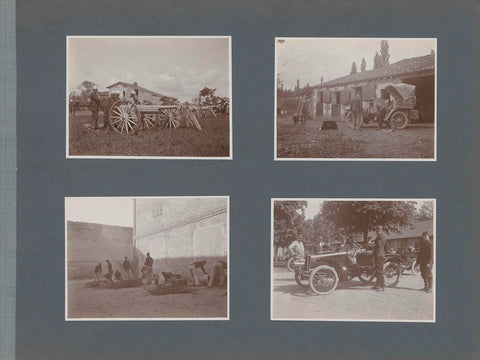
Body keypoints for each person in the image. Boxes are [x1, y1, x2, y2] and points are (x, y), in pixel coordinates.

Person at [371, 226, 386, 291]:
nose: (376, 232)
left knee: (380, 271)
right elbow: (386, 246)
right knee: (378, 270)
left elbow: (378, 245)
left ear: (379, 230)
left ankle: (382, 287)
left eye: (376, 230)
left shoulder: (379, 237)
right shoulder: (383, 237)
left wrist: (372, 245)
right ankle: (377, 285)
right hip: (381, 254)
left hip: (378, 255)